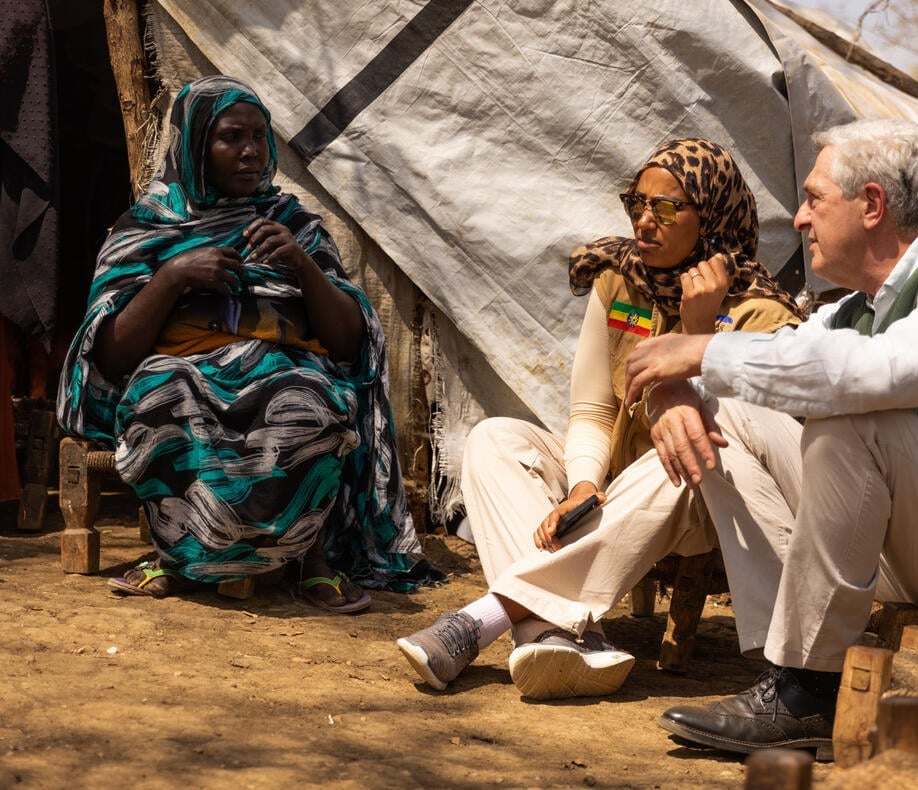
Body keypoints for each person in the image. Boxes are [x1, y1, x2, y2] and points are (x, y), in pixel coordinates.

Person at [622, 118, 918, 757]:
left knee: (856, 416)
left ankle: (809, 689)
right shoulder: (858, 307)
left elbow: (875, 376)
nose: (799, 219)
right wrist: (678, 391)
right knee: (732, 418)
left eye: (813, 199)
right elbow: (769, 366)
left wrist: (700, 351)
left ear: (873, 205)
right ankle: (785, 670)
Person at [396, 138, 803, 699]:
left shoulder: (764, 313)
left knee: (686, 445)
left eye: (665, 208)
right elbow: (593, 408)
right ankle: (559, 634)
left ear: (709, 216)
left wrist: (697, 325)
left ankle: (488, 618)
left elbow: (730, 434)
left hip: (691, 497)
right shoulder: (620, 280)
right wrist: (584, 483)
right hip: (612, 488)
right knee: (494, 438)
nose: (644, 220)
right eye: (637, 202)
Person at [56, 76, 441, 609]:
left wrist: (302, 265)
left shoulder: (293, 225)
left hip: (285, 365)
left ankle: (310, 560)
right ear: (195, 148)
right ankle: (178, 555)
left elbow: (351, 341)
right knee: (161, 398)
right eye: (231, 137)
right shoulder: (145, 227)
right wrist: (172, 276)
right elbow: (110, 354)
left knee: (310, 401)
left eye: (260, 137)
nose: (251, 152)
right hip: (180, 368)